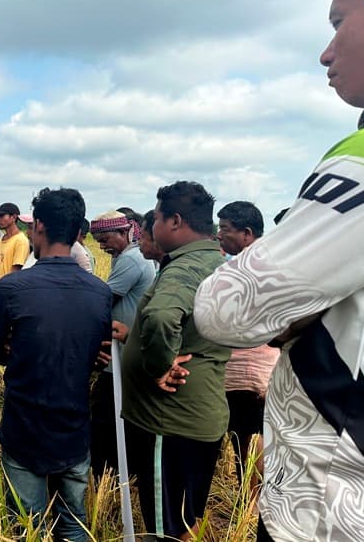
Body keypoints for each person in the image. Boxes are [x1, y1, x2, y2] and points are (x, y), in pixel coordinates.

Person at [195, 0, 364, 541]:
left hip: (332, 505)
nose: (326, 53)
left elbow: (224, 308)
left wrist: (293, 312)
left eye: (338, 22)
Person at [0, 187, 111, 541]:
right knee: (74, 524)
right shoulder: (99, 292)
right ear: (77, 233)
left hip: (24, 429)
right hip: (73, 430)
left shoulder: (12, 289)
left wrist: (22, 348)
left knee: (28, 527)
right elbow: (95, 354)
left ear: (38, 226)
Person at [120, 181, 228, 541]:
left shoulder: (184, 268)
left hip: (169, 419)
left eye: (157, 220)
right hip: (196, 415)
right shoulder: (213, 259)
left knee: (169, 528)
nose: (151, 229)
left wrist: (157, 365)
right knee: (187, 517)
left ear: (175, 221)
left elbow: (163, 315)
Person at [213, 201, 278, 497]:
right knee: (257, 434)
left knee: (249, 437)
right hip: (266, 366)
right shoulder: (276, 261)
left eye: (225, 228)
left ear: (246, 233)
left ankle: (251, 503)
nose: (219, 234)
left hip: (247, 366)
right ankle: (256, 500)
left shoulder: (241, 268)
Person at [88, 210, 155, 478]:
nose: (103, 246)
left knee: (106, 417)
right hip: (122, 352)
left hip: (123, 356)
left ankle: (111, 474)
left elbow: (102, 300)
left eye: (105, 240)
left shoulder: (131, 259)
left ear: (124, 232)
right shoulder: (126, 256)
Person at [0, 202, 29, 278]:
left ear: (14, 217)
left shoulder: (20, 241)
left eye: (2, 216)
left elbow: (16, 270)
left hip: (7, 286)